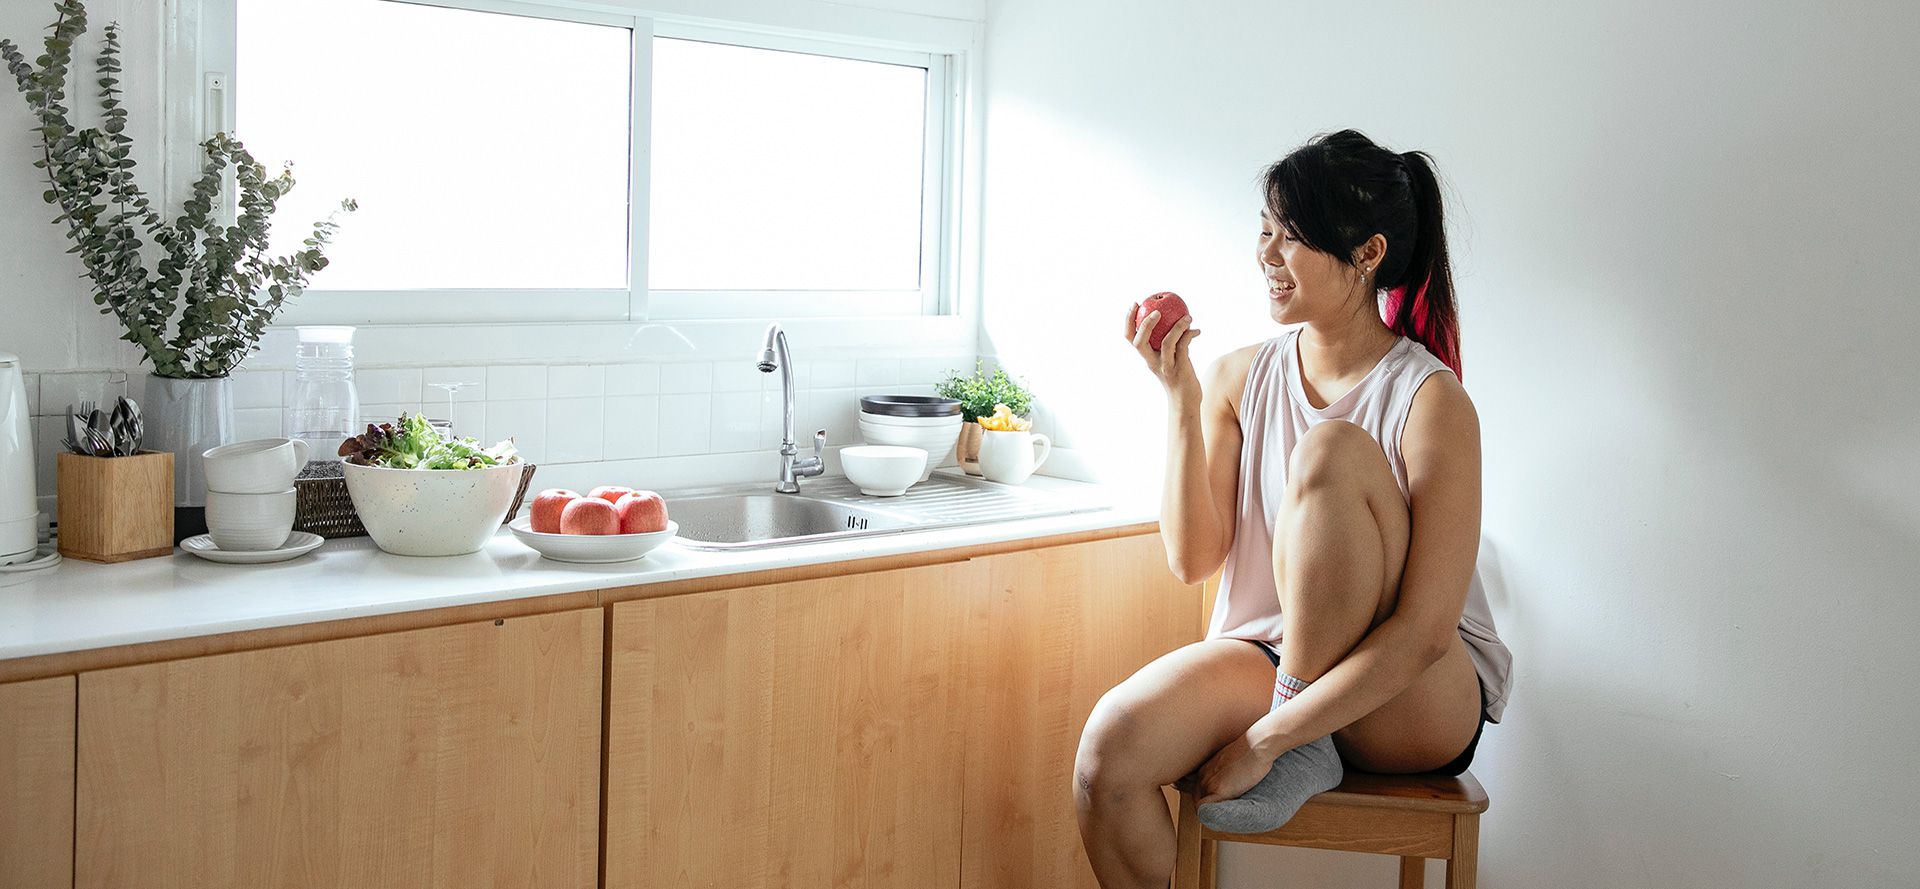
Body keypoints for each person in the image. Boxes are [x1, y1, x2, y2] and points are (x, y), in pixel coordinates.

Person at [1074, 129, 1513, 888]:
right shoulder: (1239, 375)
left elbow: (1424, 632)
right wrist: (1182, 401)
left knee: (1330, 450)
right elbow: (1194, 559)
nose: (1268, 255)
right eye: (1266, 231)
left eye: (1293, 236)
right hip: (1274, 655)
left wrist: (1272, 736)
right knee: (1108, 755)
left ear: (1369, 253)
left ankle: (1304, 729)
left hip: (1409, 688)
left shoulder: (1432, 400)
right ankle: (1298, 714)